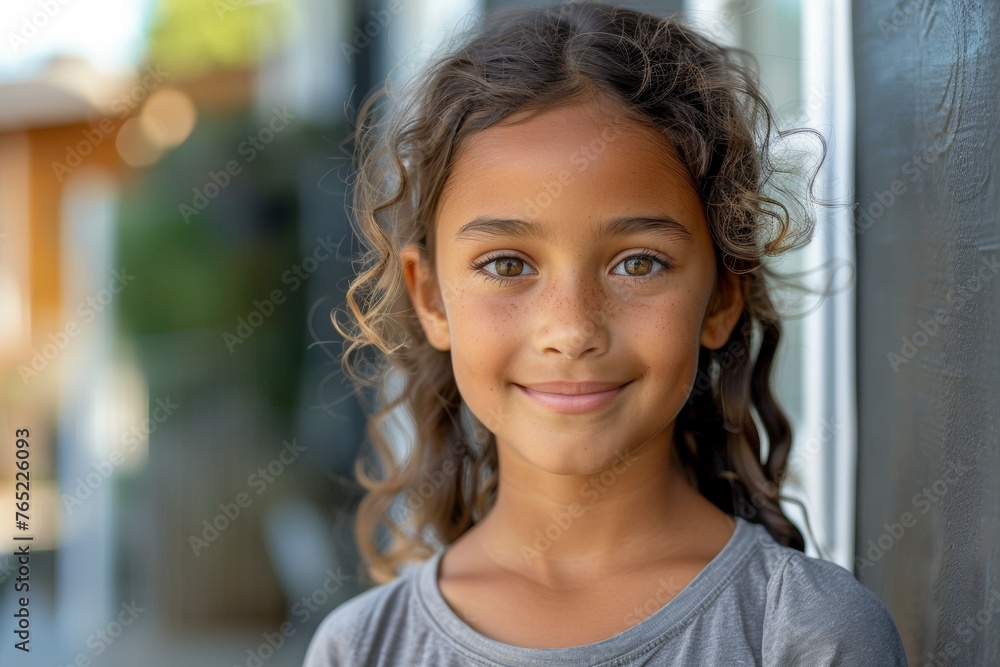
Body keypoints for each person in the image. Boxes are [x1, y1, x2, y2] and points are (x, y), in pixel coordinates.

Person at [303, 2, 908, 665]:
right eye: (506, 264)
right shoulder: (361, 648)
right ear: (430, 296)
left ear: (722, 293)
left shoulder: (805, 631)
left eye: (637, 263)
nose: (571, 329)